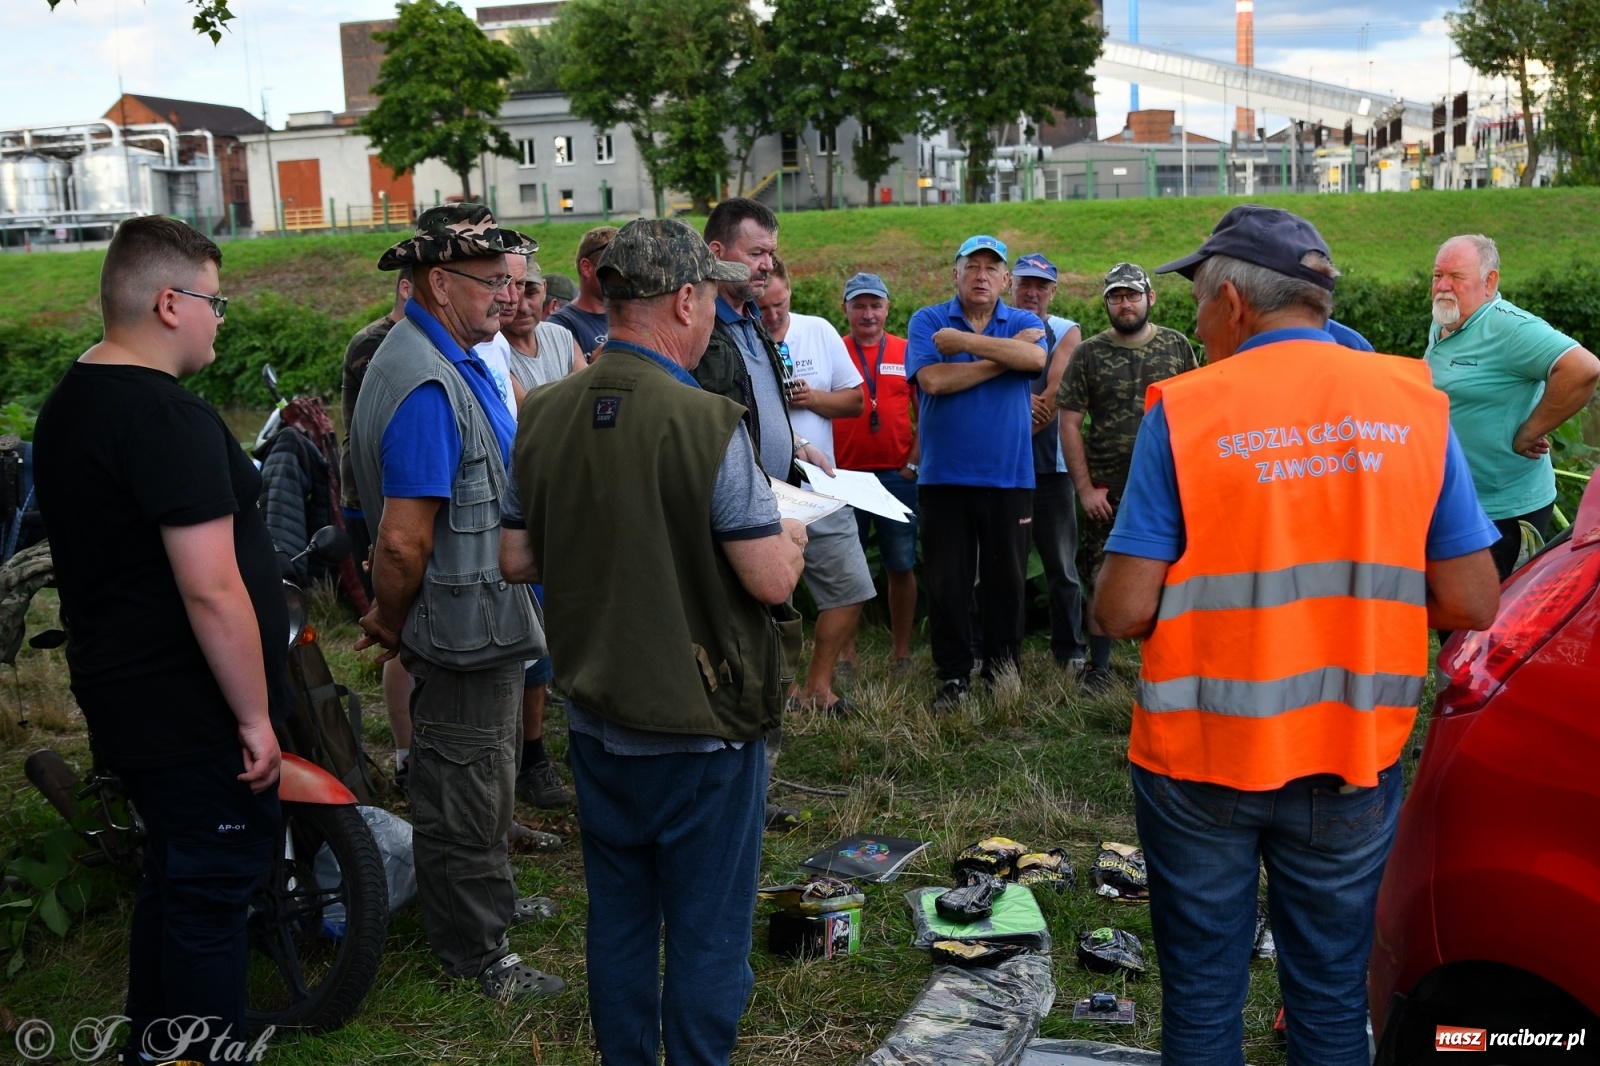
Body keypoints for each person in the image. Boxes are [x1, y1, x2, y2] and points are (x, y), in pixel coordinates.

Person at [1092, 204, 1502, 1066]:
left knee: (1202, 998)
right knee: (1330, 999)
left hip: (1200, 756)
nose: (1199, 328)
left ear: (1234, 302)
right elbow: (1472, 598)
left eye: (1199, 306)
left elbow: (1122, 611)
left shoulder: (1189, 410)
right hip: (1351, 753)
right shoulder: (1413, 404)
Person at [499, 217, 807, 1066]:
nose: (713, 316)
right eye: (710, 299)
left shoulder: (544, 409)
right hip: (699, 725)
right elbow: (770, 582)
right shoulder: (706, 421)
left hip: (596, 714)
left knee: (621, 919)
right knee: (708, 931)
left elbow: (516, 557)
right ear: (685, 300)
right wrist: (790, 537)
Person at [33, 216, 286, 1064]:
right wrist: (254, 717)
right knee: (212, 897)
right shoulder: (165, 418)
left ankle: (153, 1048)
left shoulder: (71, 402)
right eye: (216, 301)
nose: (222, 319)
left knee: (175, 879)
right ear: (170, 303)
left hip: (126, 695)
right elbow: (211, 588)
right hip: (190, 712)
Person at [347, 204, 561, 1000]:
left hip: (479, 622)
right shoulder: (428, 382)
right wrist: (389, 617)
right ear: (440, 284)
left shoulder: (447, 355)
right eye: (490, 281)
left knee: (472, 779)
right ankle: (478, 954)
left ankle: (481, 906)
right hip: (463, 629)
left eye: (511, 281)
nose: (507, 295)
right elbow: (403, 541)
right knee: (467, 792)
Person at [905, 235, 1047, 711]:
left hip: (1010, 477)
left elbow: (1035, 359)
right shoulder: (928, 320)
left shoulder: (1023, 321)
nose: (981, 276)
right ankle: (953, 677)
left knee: (1007, 581)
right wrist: (1003, 356)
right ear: (956, 274)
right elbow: (934, 381)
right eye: (972, 266)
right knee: (948, 583)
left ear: (1006, 279)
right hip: (944, 477)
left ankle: (1002, 672)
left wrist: (964, 343)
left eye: (991, 268)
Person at [473, 253, 583, 811]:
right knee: (510, 636)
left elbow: (581, 399)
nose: (516, 299)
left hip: (548, 499)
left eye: (527, 287)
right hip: (506, 507)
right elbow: (538, 419)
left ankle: (534, 755)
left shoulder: (559, 339)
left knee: (543, 640)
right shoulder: (485, 347)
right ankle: (506, 760)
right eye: (506, 285)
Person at [1425, 233, 1600, 580]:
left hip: (1502, 512)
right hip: (1458, 500)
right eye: (1437, 275)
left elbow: (1584, 368)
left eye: (1456, 276)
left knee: (1493, 611)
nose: (1443, 286)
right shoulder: (1447, 318)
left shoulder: (1509, 328)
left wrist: (1530, 431)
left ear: (1489, 282)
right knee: (1452, 607)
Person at [1056, 262, 1196, 692]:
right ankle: (1099, 668)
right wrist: (1084, 489)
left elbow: (1196, 411)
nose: (1125, 304)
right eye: (1116, 296)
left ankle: (1169, 663)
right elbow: (1069, 424)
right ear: (1106, 303)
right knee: (1101, 576)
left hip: (1168, 488)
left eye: (1132, 295)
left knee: (1176, 574)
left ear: (1150, 297)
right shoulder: (1088, 353)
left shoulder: (1177, 346)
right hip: (1108, 490)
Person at [757, 256, 872, 714]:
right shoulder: (739, 339)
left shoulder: (819, 331)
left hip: (820, 489)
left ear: (790, 291)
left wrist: (815, 398)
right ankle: (780, 692)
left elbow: (857, 401)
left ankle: (818, 687)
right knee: (769, 597)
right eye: (762, 308)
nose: (771, 316)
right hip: (763, 491)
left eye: (779, 305)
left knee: (852, 587)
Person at [340, 268, 418, 782]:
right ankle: (407, 755)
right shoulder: (376, 344)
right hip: (374, 499)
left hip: (402, 495)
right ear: (408, 288)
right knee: (399, 628)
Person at [833, 272, 920, 674]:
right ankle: (845, 654)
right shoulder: (834, 350)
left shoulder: (907, 350)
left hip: (896, 477)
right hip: (844, 479)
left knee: (900, 564)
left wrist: (912, 464)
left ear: (887, 308)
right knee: (845, 568)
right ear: (845, 309)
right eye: (859, 306)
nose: (868, 314)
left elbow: (927, 412)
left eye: (875, 305)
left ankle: (901, 652)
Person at [1011, 252, 1087, 669]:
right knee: (1000, 567)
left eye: (1041, 285)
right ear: (1010, 285)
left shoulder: (1065, 330)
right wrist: (1019, 405)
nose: (1032, 292)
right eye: (1024, 283)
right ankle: (999, 652)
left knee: (1061, 567)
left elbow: (1055, 394)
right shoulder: (996, 327)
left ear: (1053, 292)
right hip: (1005, 472)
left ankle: (1070, 651)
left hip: (1050, 470)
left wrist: (1004, 429)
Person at [545, 226, 615, 360]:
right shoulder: (560, 326)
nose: (622, 274)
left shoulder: (628, 317)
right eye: (613, 266)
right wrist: (593, 367)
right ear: (586, 268)